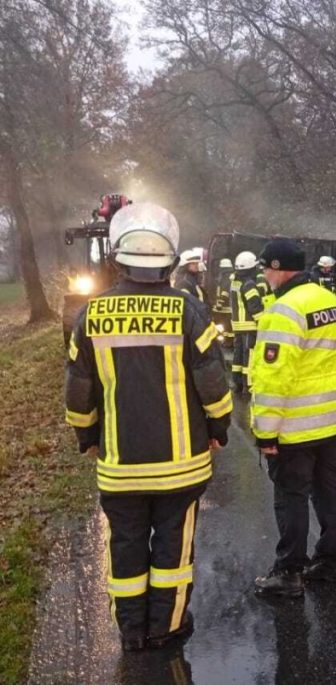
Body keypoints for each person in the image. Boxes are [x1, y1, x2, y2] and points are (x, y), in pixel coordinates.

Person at [64, 202, 231, 651]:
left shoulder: (92, 316)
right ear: (170, 261)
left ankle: (132, 631)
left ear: (119, 258)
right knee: (173, 553)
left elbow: (78, 393)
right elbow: (213, 384)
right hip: (181, 467)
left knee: (126, 549)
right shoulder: (188, 312)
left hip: (120, 467)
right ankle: (167, 626)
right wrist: (221, 427)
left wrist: (88, 436)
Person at [250, 238, 336, 597]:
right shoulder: (326, 299)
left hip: (296, 423)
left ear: (277, 268)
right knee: (328, 488)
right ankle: (331, 560)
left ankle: (289, 572)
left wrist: (265, 432)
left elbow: (274, 377)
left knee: (291, 494)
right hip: (331, 417)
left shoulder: (283, 310)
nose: (263, 275)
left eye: (266, 268)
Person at [230, 251, 264, 392]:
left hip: (237, 325)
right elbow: (254, 306)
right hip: (249, 326)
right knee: (249, 356)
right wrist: (263, 322)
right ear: (251, 268)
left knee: (238, 355)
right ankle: (248, 385)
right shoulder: (249, 284)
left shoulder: (235, 282)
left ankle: (237, 382)